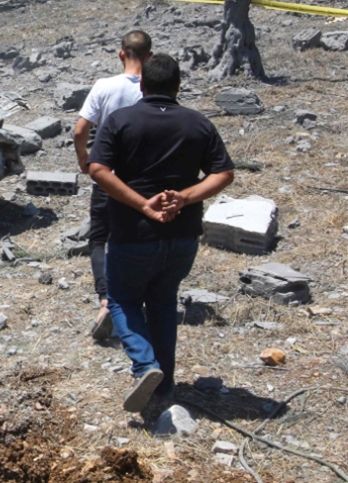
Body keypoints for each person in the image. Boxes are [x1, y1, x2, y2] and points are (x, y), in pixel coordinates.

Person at [88, 54, 234, 412]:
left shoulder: (121, 121)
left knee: (122, 299)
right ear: (178, 86)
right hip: (182, 236)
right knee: (163, 302)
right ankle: (164, 388)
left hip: (133, 233)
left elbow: (98, 169)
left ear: (142, 84)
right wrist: (183, 198)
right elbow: (224, 173)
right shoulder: (198, 123)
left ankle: (145, 365)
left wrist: (142, 204)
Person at [73, 30, 152, 341]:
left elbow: (80, 130)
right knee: (135, 238)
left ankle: (106, 300)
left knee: (98, 240)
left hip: (107, 175)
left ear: (122, 54)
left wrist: (84, 158)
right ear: (149, 57)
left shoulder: (104, 87)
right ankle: (136, 299)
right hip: (142, 180)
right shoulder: (153, 89)